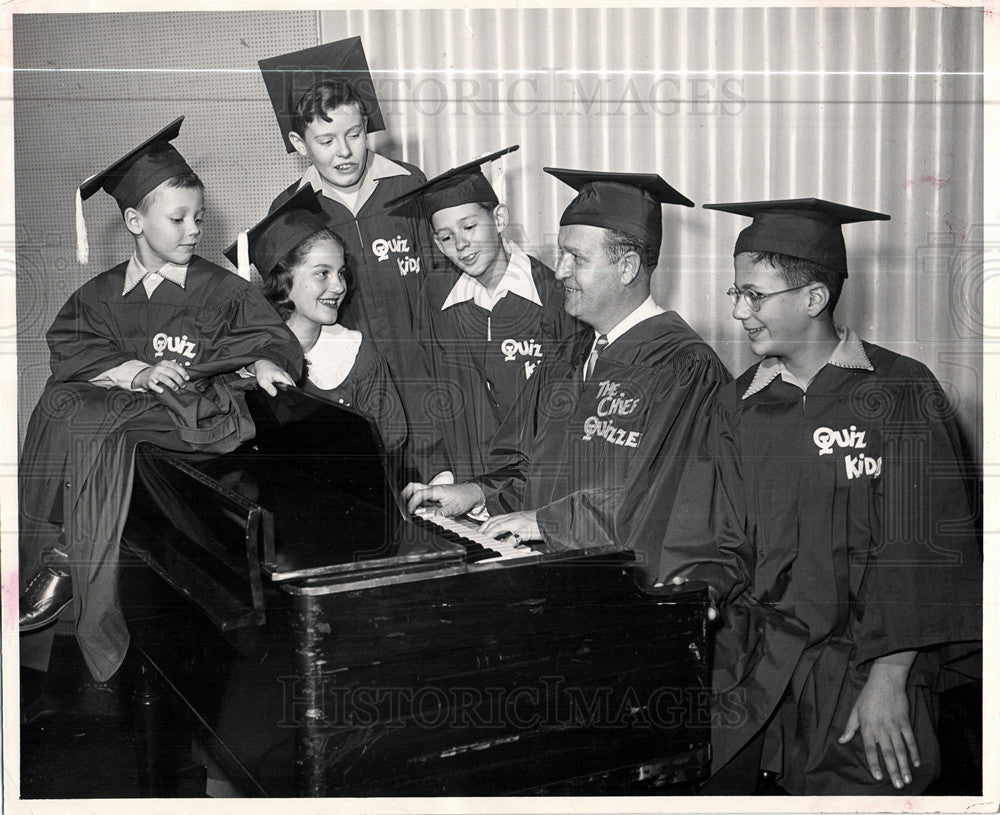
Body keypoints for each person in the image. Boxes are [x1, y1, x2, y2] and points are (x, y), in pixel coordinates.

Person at [680, 198, 982, 794]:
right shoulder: (736, 404)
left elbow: (919, 554)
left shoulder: (900, 392)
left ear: (814, 299)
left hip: (861, 672)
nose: (739, 311)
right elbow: (716, 533)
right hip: (753, 665)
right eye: (735, 293)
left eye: (754, 295)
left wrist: (889, 679)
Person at [18, 118, 304, 682]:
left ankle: (68, 562)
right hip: (133, 426)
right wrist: (135, 371)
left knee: (103, 423)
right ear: (134, 221)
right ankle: (40, 554)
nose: (194, 230)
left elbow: (274, 338)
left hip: (195, 426)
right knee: (60, 407)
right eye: (178, 219)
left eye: (199, 217)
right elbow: (69, 349)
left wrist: (266, 359)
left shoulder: (221, 289)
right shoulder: (100, 294)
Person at [403, 169, 730, 581]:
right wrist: (474, 493)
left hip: (623, 585)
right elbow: (528, 465)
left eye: (576, 258)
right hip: (554, 570)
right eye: (560, 254)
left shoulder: (684, 371)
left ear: (627, 267)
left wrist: (545, 523)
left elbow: (667, 499)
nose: (559, 272)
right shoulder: (570, 355)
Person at [259, 37, 435, 474]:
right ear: (299, 144)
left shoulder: (409, 184)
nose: (344, 151)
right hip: (347, 386)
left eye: (354, 135)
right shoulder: (289, 211)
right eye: (325, 140)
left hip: (424, 371)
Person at [385, 146, 579, 485]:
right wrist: (439, 470)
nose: (461, 245)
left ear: (500, 219)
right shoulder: (437, 297)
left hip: (535, 488)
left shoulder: (553, 296)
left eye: (470, 227)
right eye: (446, 237)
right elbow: (425, 386)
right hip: (461, 483)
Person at [223, 186, 406, 451]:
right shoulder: (242, 356)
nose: (339, 286)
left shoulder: (360, 359)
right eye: (323, 273)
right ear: (284, 282)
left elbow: (389, 446)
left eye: (341, 273)